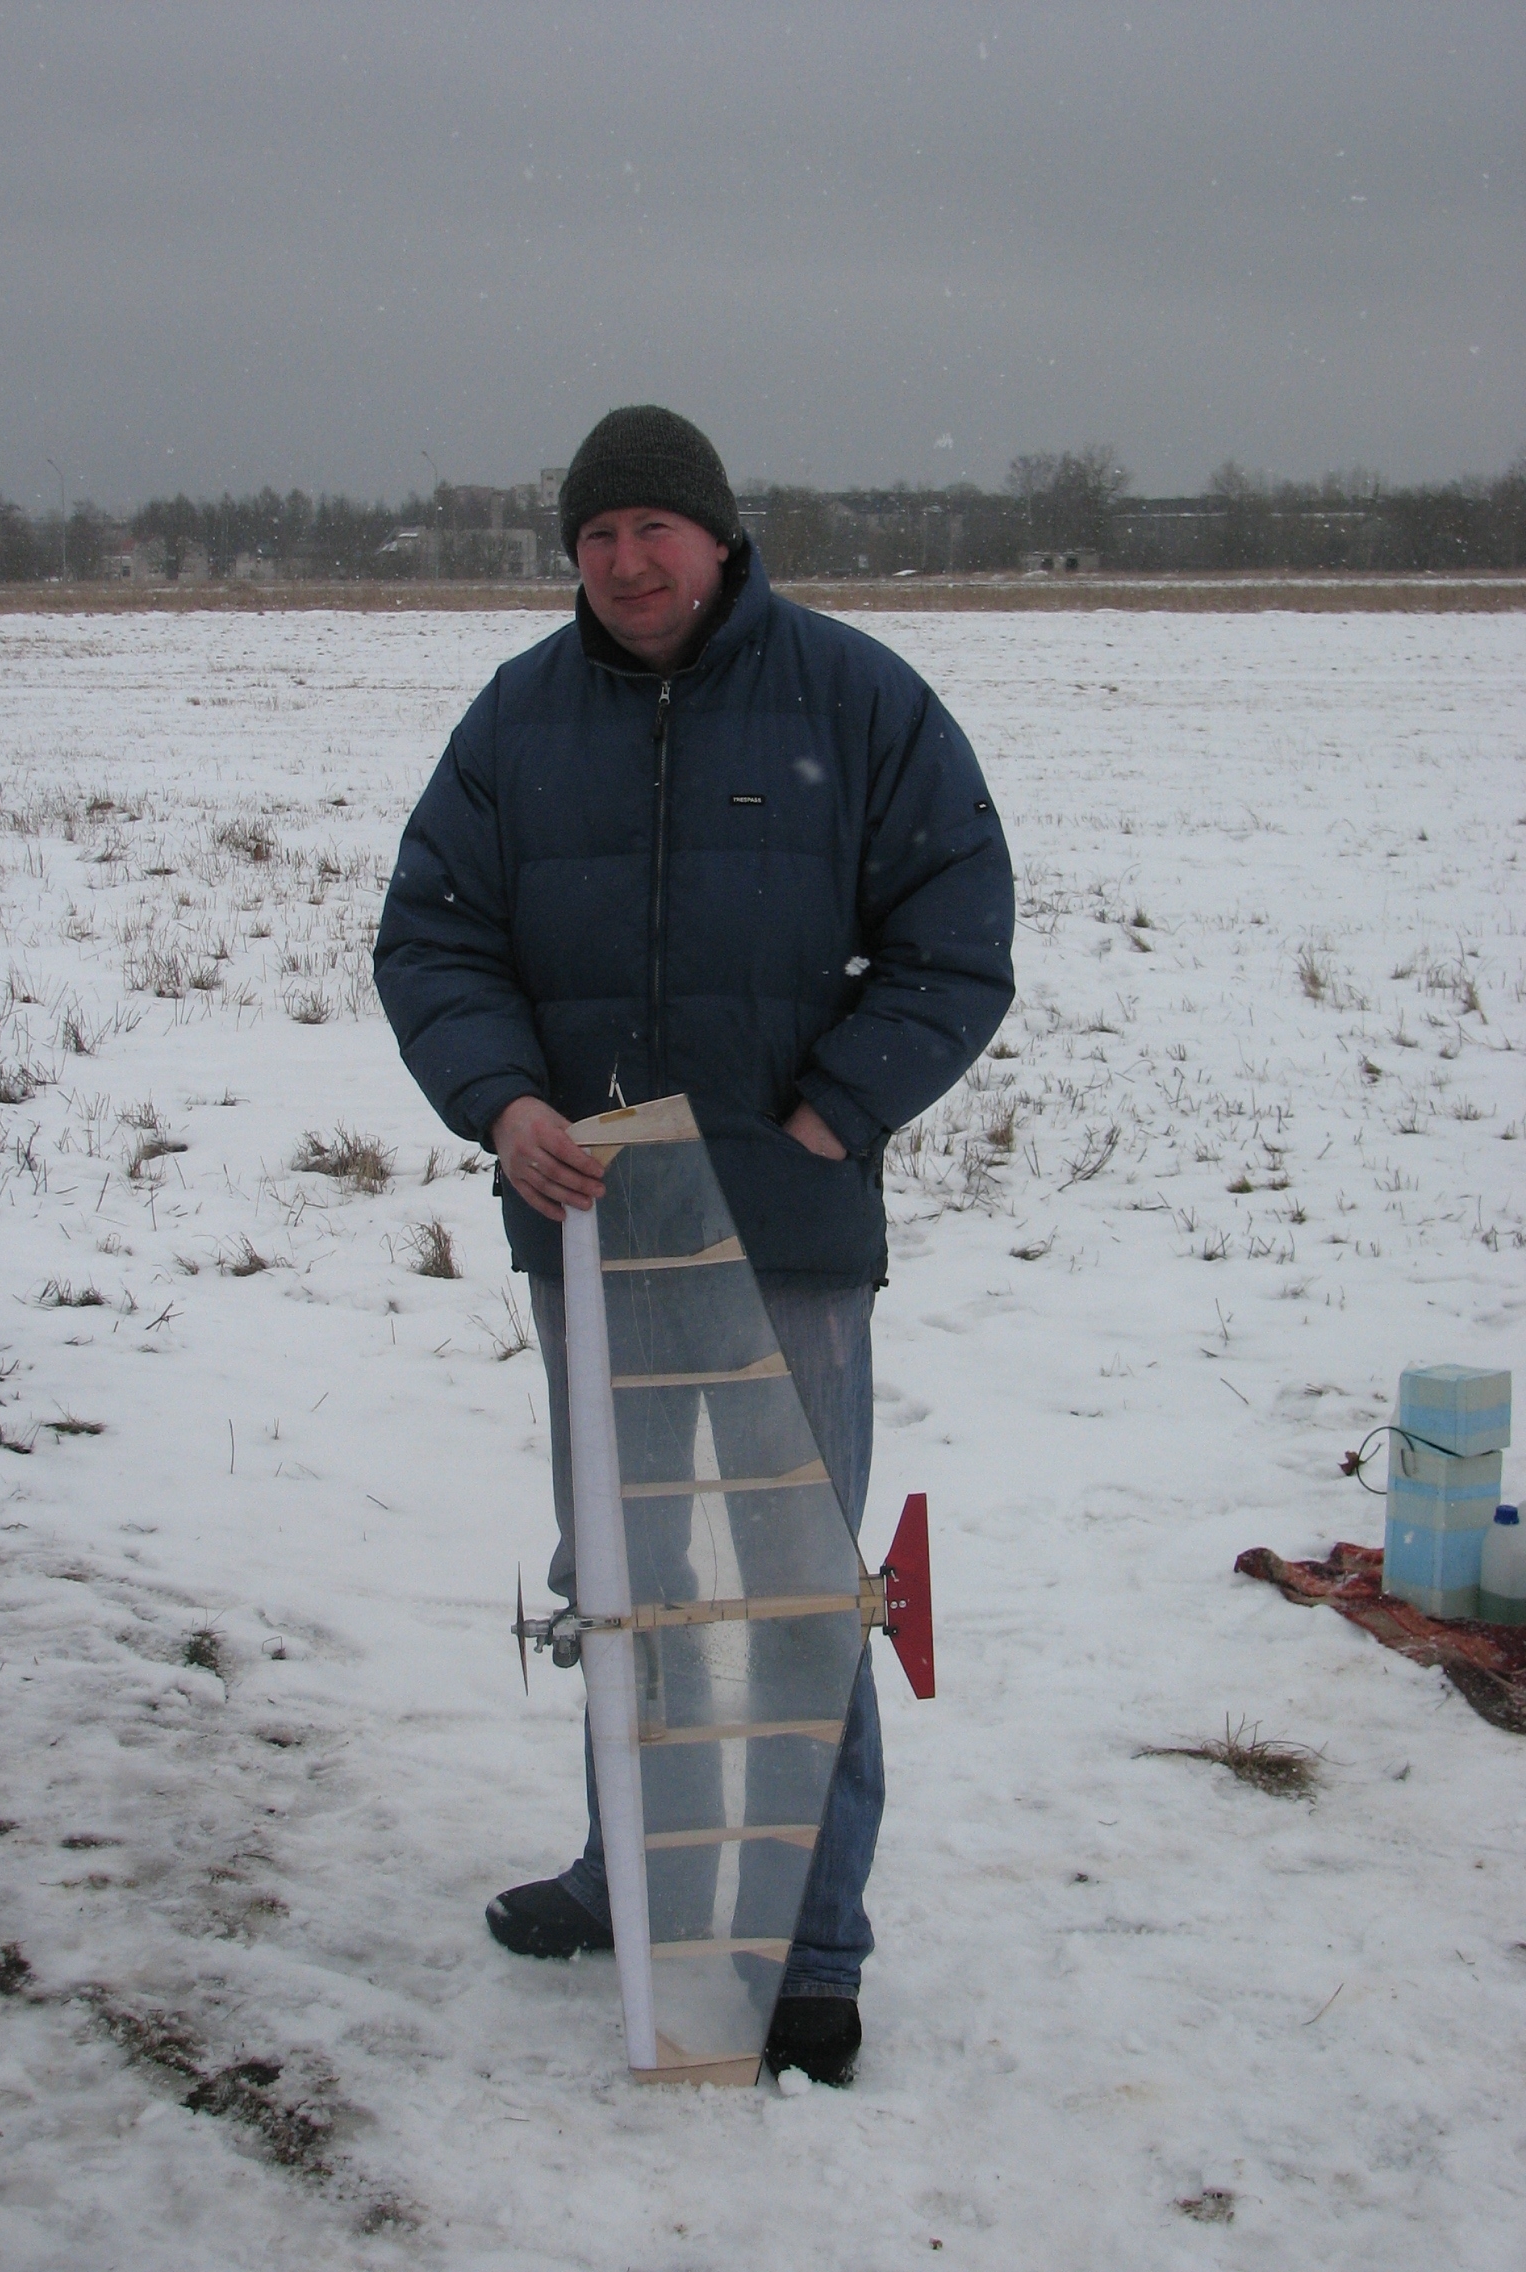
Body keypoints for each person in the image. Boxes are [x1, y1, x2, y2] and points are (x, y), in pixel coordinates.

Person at [375, 405, 1014, 2085]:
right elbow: (433, 936)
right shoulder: (519, 720)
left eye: (653, 528)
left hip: (788, 1232)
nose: (626, 561)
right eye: (596, 536)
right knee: (625, 1580)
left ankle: (813, 1946)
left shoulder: (856, 701)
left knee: (798, 1583)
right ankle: (633, 1874)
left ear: (719, 538)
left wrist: (829, 1118)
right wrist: (505, 1102)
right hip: (593, 1231)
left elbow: (957, 936)